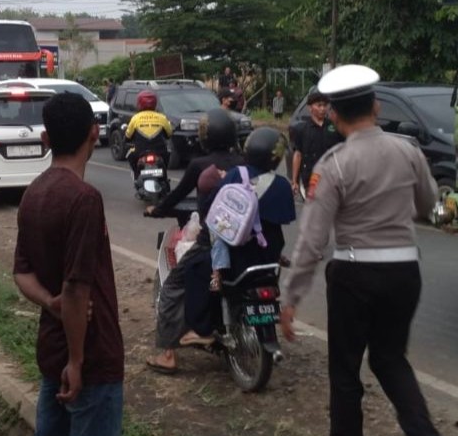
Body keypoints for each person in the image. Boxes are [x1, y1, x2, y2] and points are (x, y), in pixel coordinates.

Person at [279, 64, 451, 436]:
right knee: (391, 359)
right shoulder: (408, 151)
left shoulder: (334, 164)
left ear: (334, 115)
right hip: (405, 271)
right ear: (375, 106)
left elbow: (313, 240)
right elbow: (428, 205)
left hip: (355, 273)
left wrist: (291, 296)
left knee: (345, 369)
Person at [13, 92, 123, 436]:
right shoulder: (84, 199)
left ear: (44, 138)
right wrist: (78, 362)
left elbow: (22, 275)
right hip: (90, 358)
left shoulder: (34, 192)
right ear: (93, 135)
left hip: (50, 350)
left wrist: (49, 304)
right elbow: (78, 290)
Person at [144, 108, 242, 373]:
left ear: (205, 137)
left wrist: (158, 209)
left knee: (172, 287)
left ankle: (167, 355)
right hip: (243, 241)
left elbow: (177, 195)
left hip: (211, 240)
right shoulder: (242, 162)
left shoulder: (201, 166)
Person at [208, 127, 295, 292]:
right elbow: (284, 218)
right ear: (276, 157)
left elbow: (213, 205)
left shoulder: (234, 174)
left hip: (236, 255)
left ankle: (216, 275)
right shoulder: (283, 185)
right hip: (268, 255)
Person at [290, 91, 342, 202]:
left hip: (332, 178)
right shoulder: (302, 129)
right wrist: (294, 181)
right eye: (319, 105)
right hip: (311, 179)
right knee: (314, 209)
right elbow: (298, 154)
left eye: (325, 105)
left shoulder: (334, 127)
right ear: (310, 108)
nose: (322, 108)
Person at [123, 90, 172, 179]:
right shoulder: (162, 117)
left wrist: (126, 139)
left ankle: (137, 176)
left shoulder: (135, 118)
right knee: (168, 153)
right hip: (160, 151)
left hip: (140, 151)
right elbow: (169, 134)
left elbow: (128, 136)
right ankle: (164, 178)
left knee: (129, 155)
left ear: (139, 103)